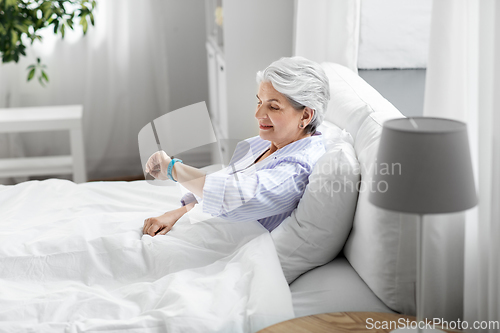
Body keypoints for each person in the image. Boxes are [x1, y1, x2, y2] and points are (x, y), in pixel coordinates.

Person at [142, 56, 330, 236]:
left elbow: (232, 197)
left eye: (273, 107)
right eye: (259, 102)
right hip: (209, 227)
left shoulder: (296, 170)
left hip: (233, 249)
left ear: (305, 116)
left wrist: (173, 169)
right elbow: (222, 184)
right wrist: (174, 214)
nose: (258, 114)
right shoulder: (267, 144)